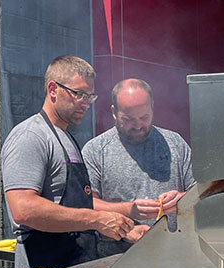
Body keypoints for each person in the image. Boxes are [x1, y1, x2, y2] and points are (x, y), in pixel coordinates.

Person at [1, 55, 136, 268]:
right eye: (79, 94)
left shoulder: (67, 138)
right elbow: (23, 209)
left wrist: (123, 227)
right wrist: (95, 219)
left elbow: (75, 206)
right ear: (53, 89)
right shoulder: (30, 136)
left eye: (90, 96)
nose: (86, 103)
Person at [81, 78, 196, 257]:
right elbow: (87, 206)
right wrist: (128, 215)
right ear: (114, 112)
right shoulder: (96, 150)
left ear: (152, 108)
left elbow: (201, 194)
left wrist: (180, 199)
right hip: (114, 260)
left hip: (174, 253)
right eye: (128, 119)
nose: (137, 125)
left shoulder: (175, 143)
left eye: (144, 117)